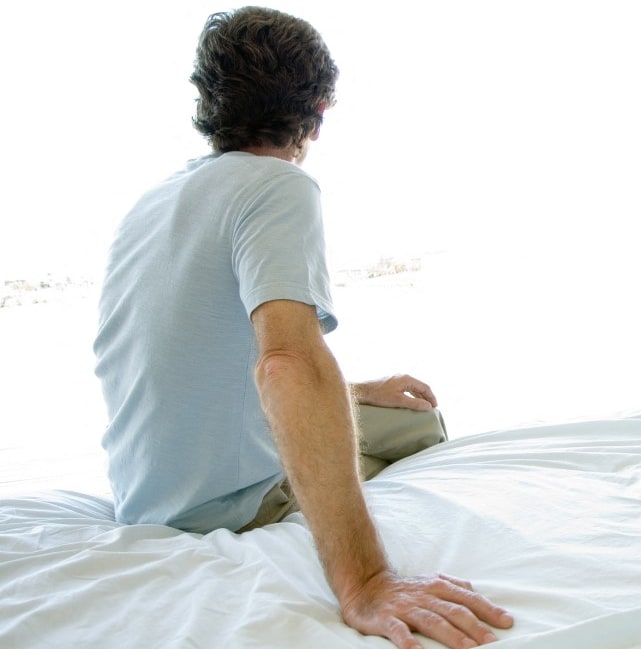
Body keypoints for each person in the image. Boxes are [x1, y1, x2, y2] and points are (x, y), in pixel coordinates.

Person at [92, 7, 513, 649]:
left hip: (147, 494)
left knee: (395, 411)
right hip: (222, 506)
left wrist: (359, 387)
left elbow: (200, 359)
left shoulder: (150, 205)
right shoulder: (277, 185)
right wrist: (366, 582)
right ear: (318, 111)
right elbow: (284, 363)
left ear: (209, 102)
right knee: (422, 427)